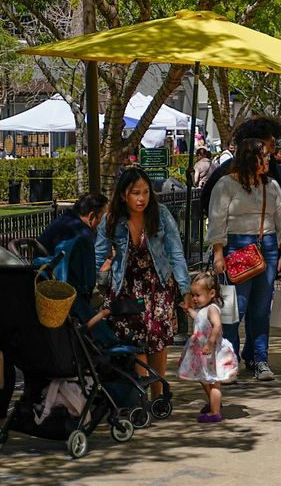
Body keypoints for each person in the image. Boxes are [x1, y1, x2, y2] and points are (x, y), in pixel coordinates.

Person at [95, 167, 191, 398]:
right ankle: (140, 392)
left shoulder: (161, 214)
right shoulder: (111, 220)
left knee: (158, 341)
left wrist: (185, 288)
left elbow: (175, 252)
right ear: (123, 195)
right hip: (126, 287)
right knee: (134, 342)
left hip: (157, 285)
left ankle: (158, 394)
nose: (141, 198)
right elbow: (98, 255)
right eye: (135, 193)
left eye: (146, 192)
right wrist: (98, 277)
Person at [208, 138, 281, 382]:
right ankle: (229, 361)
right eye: (263, 156)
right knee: (235, 309)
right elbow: (217, 220)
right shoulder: (226, 185)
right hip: (235, 247)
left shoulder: (272, 186)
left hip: (266, 247)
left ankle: (260, 358)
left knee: (260, 309)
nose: (267, 160)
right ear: (249, 158)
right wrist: (218, 254)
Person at [178, 270, 239, 423]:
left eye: (198, 295)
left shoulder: (212, 309)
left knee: (213, 381)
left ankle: (215, 412)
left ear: (211, 293)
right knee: (204, 379)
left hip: (210, 352)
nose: (194, 298)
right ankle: (213, 402)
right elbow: (198, 318)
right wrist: (189, 310)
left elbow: (217, 326)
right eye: (193, 295)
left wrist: (210, 342)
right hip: (201, 352)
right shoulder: (203, 310)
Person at [201, 117, 281, 216]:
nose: (274, 141)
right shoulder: (225, 172)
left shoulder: (276, 170)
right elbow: (208, 204)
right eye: (268, 136)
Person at [38, 192, 107, 253]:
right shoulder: (82, 234)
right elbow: (97, 263)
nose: (106, 223)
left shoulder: (64, 219)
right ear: (91, 217)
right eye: (104, 219)